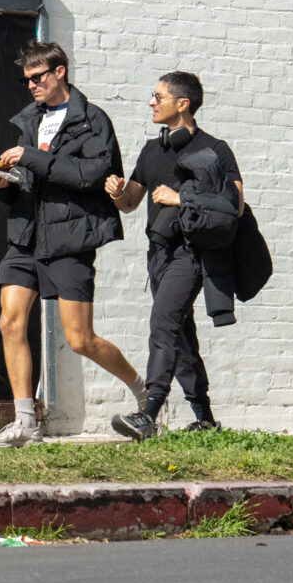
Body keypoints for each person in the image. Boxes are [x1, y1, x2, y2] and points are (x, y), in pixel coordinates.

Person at [0, 40, 144, 447]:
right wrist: (3, 186)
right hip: (24, 237)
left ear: (59, 73)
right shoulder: (29, 119)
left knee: (80, 339)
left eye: (37, 77)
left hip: (69, 238)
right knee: (9, 321)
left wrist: (31, 157)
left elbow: (91, 174)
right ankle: (25, 422)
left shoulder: (91, 120)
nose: (31, 85)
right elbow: (29, 185)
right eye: (26, 80)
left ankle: (147, 394)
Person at [104, 70, 244, 440]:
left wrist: (181, 197)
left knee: (163, 324)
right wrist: (118, 192)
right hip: (158, 254)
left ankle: (149, 413)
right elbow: (132, 202)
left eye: (158, 97)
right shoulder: (153, 149)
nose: (151, 102)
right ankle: (205, 419)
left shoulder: (215, 150)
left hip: (192, 254)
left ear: (182, 105)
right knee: (180, 334)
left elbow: (235, 205)